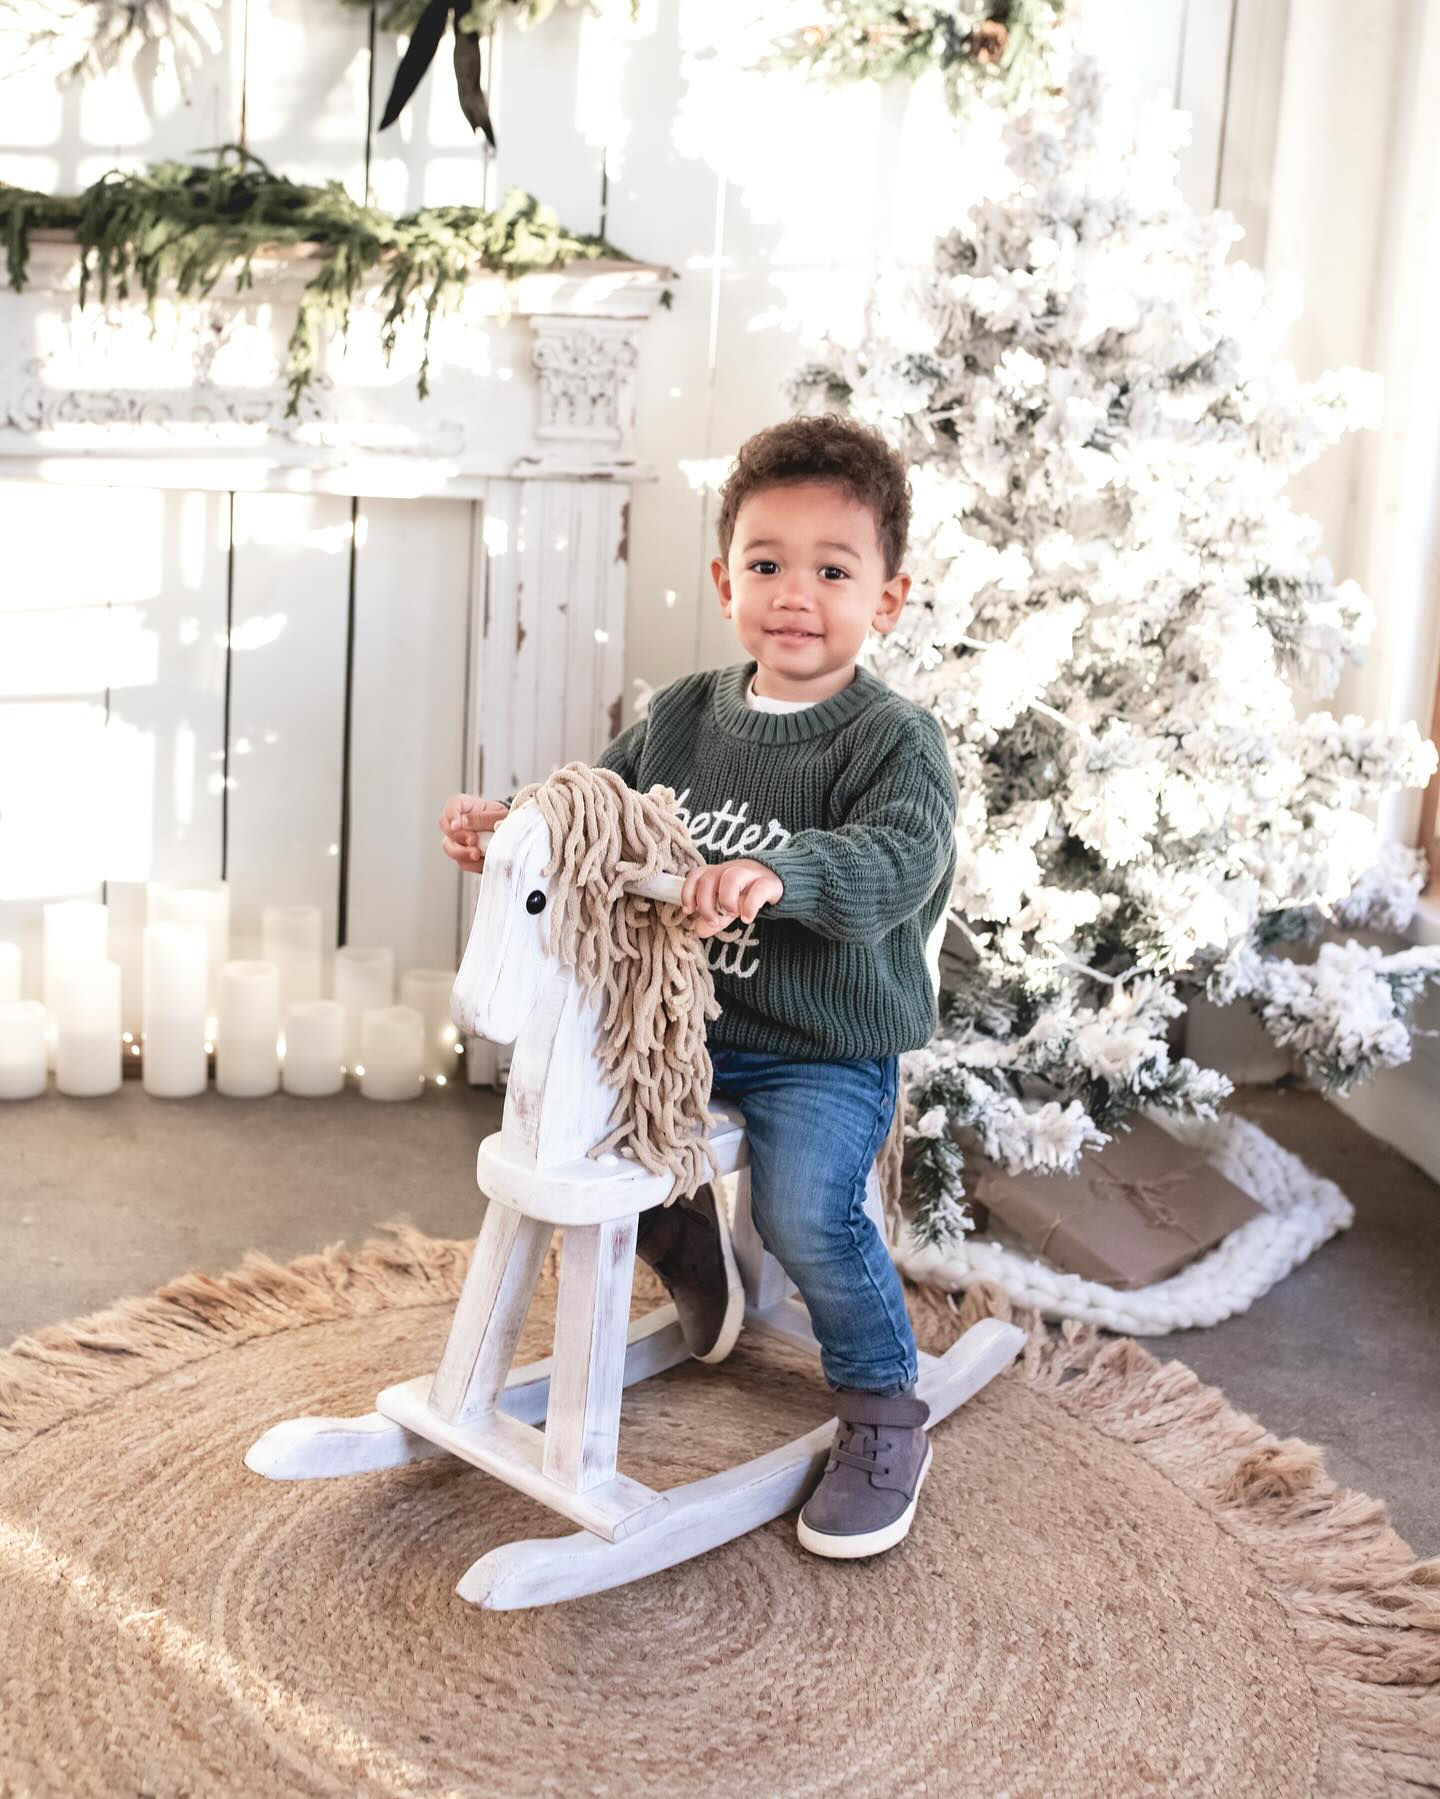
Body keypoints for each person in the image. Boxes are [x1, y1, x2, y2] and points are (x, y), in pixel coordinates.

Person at [438, 413, 959, 1561]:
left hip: (824, 1039)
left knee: (807, 1206)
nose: (795, 593)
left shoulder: (892, 741)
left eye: (833, 569)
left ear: (890, 596)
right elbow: (599, 807)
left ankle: (883, 1406)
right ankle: (687, 1246)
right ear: (727, 578)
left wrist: (781, 870)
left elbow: (896, 861)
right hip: (689, 1025)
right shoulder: (685, 715)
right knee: (592, 1117)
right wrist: (517, 823)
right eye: (768, 564)